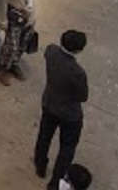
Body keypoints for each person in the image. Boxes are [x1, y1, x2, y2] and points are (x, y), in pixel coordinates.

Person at [34, 28, 90, 183]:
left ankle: (40, 165)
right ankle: (57, 179)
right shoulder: (78, 73)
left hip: (50, 103)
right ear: (79, 50)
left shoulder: (51, 51)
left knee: (44, 136)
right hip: (69, 114)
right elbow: (83, 97)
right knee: (67, 147)